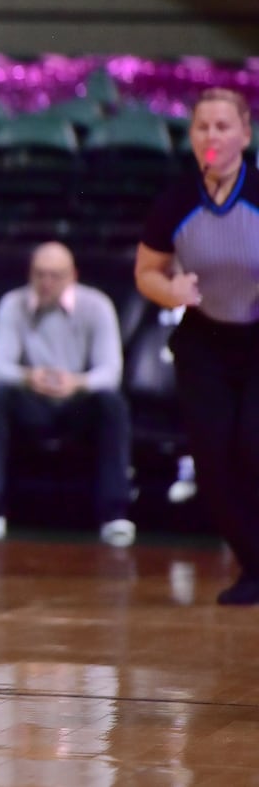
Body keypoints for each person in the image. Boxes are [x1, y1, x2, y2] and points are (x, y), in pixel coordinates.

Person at [136, 88, 259, 605]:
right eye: (202, 127)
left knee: (253, 444)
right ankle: (254, 566)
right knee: (212, 456)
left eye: (223, 126)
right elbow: (147, 271)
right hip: (205, 338)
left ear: (245, 136)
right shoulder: (176, 201)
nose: (212, 136)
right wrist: (172, 291)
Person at [0, 242, 133, 546]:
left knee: (112, 404)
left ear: (73, 276)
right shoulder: (12, 304)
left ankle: (114, 512)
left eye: (55, 276)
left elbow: (110, 372)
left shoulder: (97, 306)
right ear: (30, 274)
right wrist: (29, 376)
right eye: (40, 275)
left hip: (77, 403)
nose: (46, 283)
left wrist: (77, 383)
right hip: (33, 401)